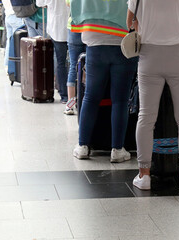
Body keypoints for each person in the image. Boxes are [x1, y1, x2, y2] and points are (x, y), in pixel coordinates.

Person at [128, 0, 179, 190]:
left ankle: (144, 175)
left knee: (146, 117)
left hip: (149, 56)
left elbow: (130, 23)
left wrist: (149, 31)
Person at [71, 0, 137, 163]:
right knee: (120, 100)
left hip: (94, 37)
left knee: (91, 97)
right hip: (123, 39)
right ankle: (117, 149)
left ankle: (83, 146)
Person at [36, 0, 70, 103]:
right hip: (74, 28)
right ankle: (76, 93)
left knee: (61, 62)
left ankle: (64, 95)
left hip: (57, 28)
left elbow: (39, 3)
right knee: (74, 63)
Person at [1, 0, 25, 82]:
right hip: (16, 16)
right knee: (17, 43)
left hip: (8, 15)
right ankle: (16, 68)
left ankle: (8, 65)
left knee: (10, 42)